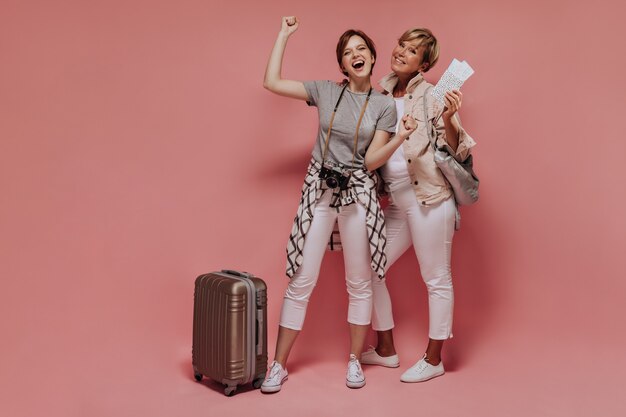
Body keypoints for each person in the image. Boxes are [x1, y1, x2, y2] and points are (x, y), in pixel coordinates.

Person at [260, 17, 406, 392]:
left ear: (373, 58)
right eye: (347, 52)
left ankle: (355, 361)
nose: (355, 55)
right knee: (301, 279)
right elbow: (272, 83)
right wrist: (284, 35)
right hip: (320, 191)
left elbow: (372, 161)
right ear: (342, 65)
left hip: (357, 193)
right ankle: (278, 365)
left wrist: (400, 137)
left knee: (360, 283)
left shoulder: (383, 106)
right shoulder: (325, 91)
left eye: (361, 49)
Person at [361, 28, 476, 382]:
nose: (401, 52)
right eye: (401, 45)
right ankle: (385, 349)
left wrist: (449, 118)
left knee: (436, 277)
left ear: (423, 63)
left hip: (430, 198)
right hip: (395, 200)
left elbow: (458, 150)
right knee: (368, 267)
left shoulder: (432, 96)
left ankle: (434, 357)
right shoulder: (379, 92)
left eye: (412, 51)